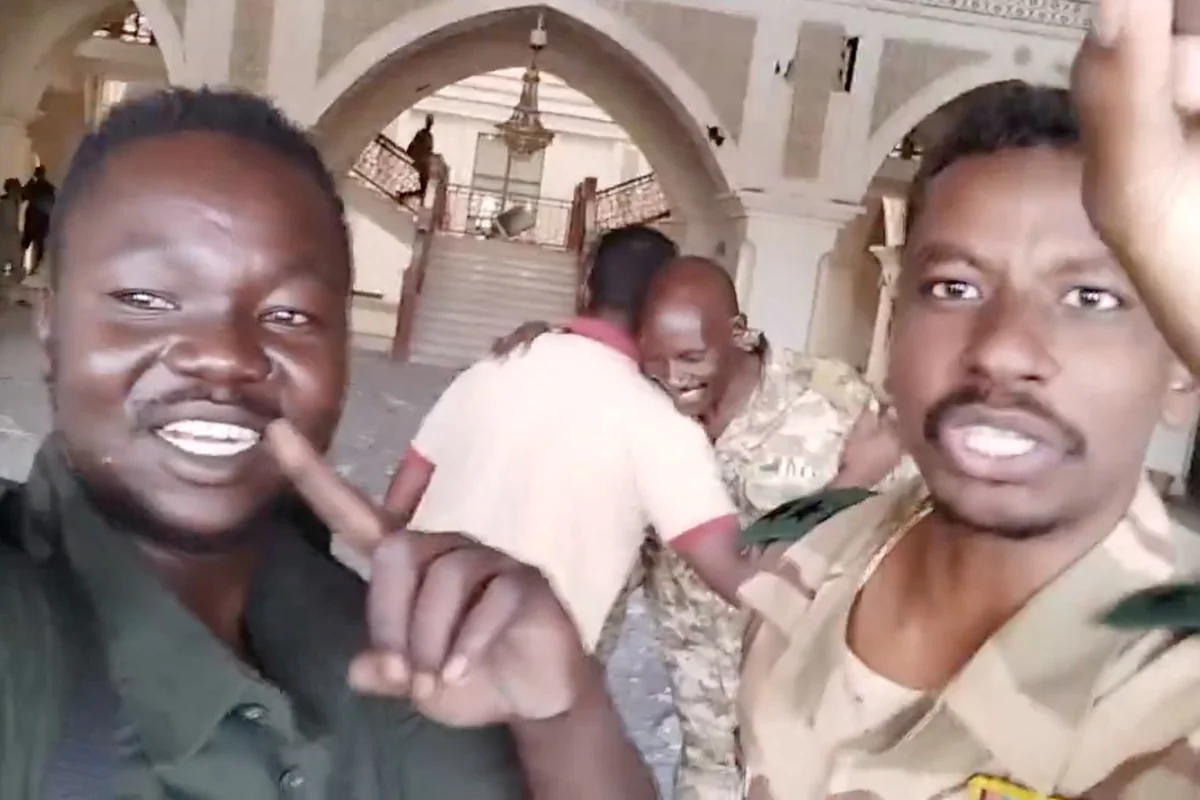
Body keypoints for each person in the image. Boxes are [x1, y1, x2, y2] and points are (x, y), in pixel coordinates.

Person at [0, 86, 654, 799]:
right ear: (50, 329)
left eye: (288, 314)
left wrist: (564, 713)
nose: (223, 356)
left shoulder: (401, 661)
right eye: (146, 300)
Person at [736, 81, 1200, 798]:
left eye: (1091, 298)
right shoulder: (814, 559)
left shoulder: (1175, 693)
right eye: (954, 288)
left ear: (1182, 369)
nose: (1002, 349)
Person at [493, 255, 914, 799]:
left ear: (738, 333)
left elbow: (899, 543)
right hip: (707, 753)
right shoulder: (640, 410)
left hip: (810, 741)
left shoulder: (833, 409)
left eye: (693, 357)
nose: (674, 378)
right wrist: (551, 352)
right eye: (657, 361)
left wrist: (854, 479)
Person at [382, 226, 755, 666]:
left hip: (414, 633)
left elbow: (398, 503)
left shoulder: (493, 369)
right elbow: (739, 580)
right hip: (523, 673)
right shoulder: (661, 424)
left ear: (585, 286)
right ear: (662, 311)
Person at [21, 164, 55, 272]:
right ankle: (36, 268)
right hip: (43, 221)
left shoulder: (33, 187)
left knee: (27, 244)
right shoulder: (50, 188)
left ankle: (26, 267)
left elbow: (23, 195)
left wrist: (30, 181)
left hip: (33, 220)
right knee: (40, 246)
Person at [0, 178, 22, 303]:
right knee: (13, 266)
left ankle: (11, 293)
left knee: (15, 267)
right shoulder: (6, 203)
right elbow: (9, 224)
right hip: (7, 238)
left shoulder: (14, 201)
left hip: (10, 238)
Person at [405, 114, 435, 201]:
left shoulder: (428, 136)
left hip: (422, 162)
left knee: (423, 186)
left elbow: (428, 149)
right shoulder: (423, 134)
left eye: (430, 123)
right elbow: (414, 145)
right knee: (422, 185)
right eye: (429, 122)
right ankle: (406, 195)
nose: (430, 124)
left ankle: (407, 195)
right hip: (420, 161)